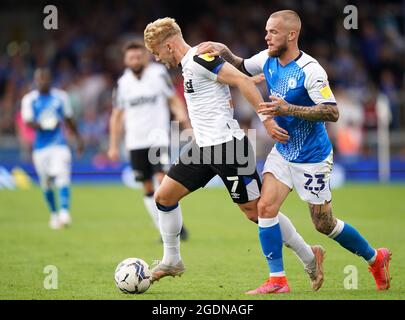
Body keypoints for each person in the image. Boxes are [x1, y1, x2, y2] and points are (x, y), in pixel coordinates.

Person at [197, 9, 392, 293]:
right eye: (266, 31)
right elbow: (241, 65)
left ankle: (375, 258)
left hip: (312, 158)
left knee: (323, 224)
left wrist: (288, 109)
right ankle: (278, 280)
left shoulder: (310, 70)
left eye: (272, 32)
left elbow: (332, 112)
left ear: (291, 35)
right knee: (265, 208)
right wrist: (223, 50)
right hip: (284, 151)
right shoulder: (267, 58)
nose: (266, 36)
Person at [143, 17, 326, 292]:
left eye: (157, 53)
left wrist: (265, 119)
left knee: (257, 213)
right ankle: (172, 260)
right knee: (164, 197)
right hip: (202, 148)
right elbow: (235, 78)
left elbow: (241, 81)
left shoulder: (199, 58)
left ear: (169, 46)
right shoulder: (191, 64)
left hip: (228, 148)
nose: (157, 59)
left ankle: (309, 256)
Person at [108, 40, 190, 240]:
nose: (135, 60)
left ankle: (173, 229)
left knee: (163, 181)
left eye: (138, 56)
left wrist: (183, 119)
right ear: (126, 60)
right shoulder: (122, 84)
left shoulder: (158, 74)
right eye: (131, 57)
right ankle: (165, 230)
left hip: (157, 137)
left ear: (144, 57)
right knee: (146, 186)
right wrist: (113, 146)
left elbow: (173, 99)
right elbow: (117, 116)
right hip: (135, 141)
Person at [21, 68, 83, 229]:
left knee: (62, 175)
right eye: (40, 79)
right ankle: (54, 214)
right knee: (46, 183)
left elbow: (69, 118)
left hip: (59, 144)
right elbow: (28, 121)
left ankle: (64, 212)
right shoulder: (29, 99)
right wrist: (44, 124)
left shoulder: (61, 97)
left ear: (50, 79)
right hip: (40, 148)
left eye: (45, 78)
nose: (43, 81)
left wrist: (78, 138)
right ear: (35, 80)